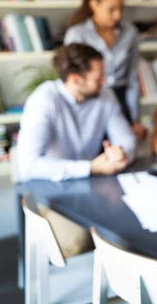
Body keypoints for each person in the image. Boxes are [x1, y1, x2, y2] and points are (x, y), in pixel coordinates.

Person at [17, 43, 136, 256]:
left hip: (95, 189)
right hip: (54, 190)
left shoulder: (104, 95)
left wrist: (120, 152)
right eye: (98, 78)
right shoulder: (44, 101)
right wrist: (90, 167)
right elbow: (27, 165)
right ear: (75, 79)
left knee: (134, 226)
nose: (105, 81)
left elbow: (126, 139)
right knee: (77, 242)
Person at [64, 0, 147, 141]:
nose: (117, 15)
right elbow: (71, 81)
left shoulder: (129, 33)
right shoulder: (77, 34)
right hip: (90, 100)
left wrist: (135, 118)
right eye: (111, 9)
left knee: (125, 147)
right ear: (94, 5)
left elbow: (132, 78)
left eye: (120, 8)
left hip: (121, 99)